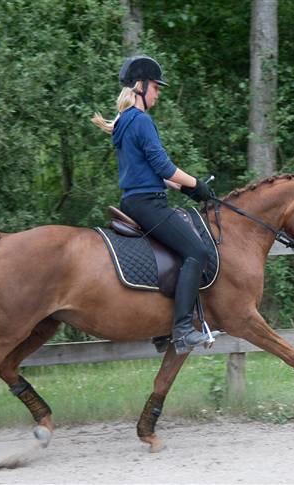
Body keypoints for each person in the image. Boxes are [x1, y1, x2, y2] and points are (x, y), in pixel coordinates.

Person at [91, 55, 213, 354]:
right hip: (148, 205)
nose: (158, 93)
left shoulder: (124, 122)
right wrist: (196, 183)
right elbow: (163, 165)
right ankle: (183, 329)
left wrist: (183, 189)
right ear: (141, 86)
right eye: (156, 87)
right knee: (197, 252)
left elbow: (149, 170)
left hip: (134, 200)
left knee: (175, 252)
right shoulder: (141, 120)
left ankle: (162, 327)